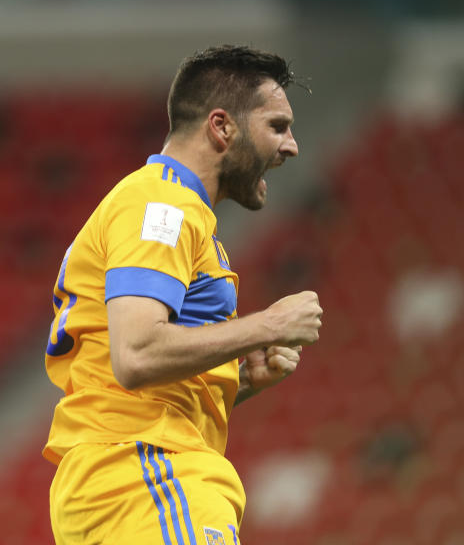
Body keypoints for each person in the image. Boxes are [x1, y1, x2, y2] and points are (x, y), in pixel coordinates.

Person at [44, 45, 323, 545]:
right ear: (222, 127)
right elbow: (136, 353)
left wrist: (233, 379)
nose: (291, 146)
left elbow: (132, 374)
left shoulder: (172, 210)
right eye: (278, 126)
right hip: (146, 474)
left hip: (127, 478)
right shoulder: (163, 205)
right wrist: (269, 325)